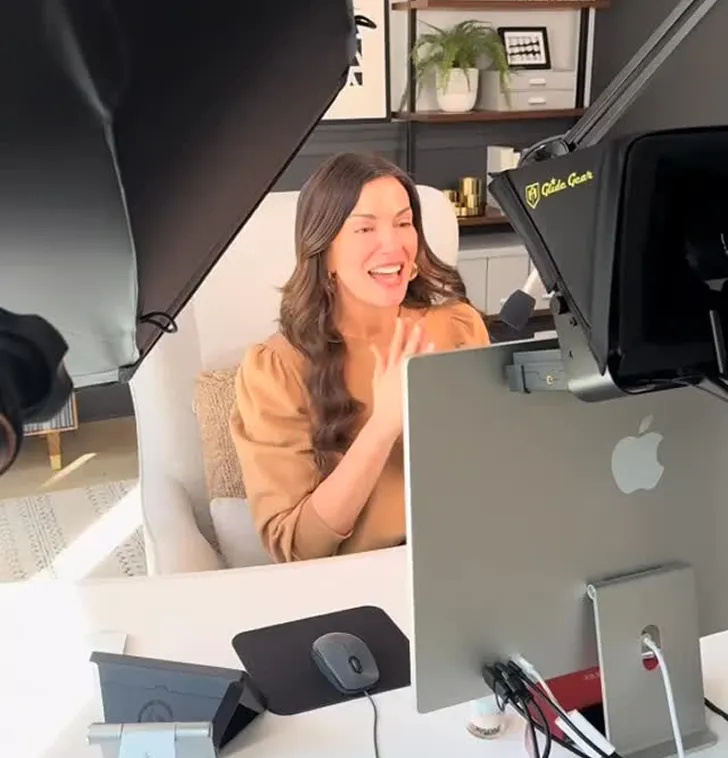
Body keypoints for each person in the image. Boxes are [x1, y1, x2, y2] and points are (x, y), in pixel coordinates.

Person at [230, 152, 490, 562]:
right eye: (365, 228)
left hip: (473, 557)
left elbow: (494, 466)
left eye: (404, 223)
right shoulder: (276, 370)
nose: (393, 245)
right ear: (324, 251)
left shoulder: (459, 327)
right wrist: (382, 426)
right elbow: (296, 548)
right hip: (366, 580)